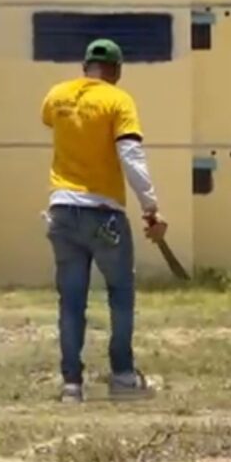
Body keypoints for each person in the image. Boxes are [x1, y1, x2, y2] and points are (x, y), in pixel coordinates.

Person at [41, 38, 168, 403]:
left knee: (71, 301)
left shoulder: (56, 95)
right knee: (120, 295)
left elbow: (50, 118)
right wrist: (151, 206)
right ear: (117, 70)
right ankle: (123, 377)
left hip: (62, 210)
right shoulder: (118, 99)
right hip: (104, 213)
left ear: (85, 67)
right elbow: (131, 155)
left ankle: (71, 385)